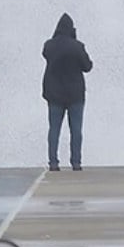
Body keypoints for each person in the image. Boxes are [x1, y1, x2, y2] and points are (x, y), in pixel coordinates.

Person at [41, 13, 92, 171]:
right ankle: (76, 162)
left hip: (54, 94)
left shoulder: (49, 45)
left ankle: (53, 163)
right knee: (76, 130)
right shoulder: (77, 46)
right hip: (75, 94)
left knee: (54, 129)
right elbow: (87, 66)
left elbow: (46, 54)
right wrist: (74, 40)